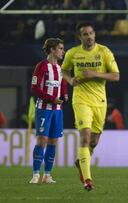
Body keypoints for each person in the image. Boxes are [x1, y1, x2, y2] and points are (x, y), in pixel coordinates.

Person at [62, 22, 120, 191]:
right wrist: (70, 80)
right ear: (79, 37)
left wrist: (94, 74)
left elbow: (116, 76)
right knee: (85, 137)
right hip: (81, 100)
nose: (88, 36)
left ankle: (81, 162)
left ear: (94, 34)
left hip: (100, 101)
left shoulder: (104, 52)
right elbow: (64, 70)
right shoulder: (72, 53)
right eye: (85, 34)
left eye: (91, 33)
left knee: (94, 141)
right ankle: (88, 180)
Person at [29, 38, 67, 184]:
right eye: (61, 48)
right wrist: (51, 98)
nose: (63, 51)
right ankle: (36, 174)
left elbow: (62, 83)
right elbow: (35, 88)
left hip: (57, 110)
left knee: (53, 141)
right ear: (52, 49)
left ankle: (47, 175)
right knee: (42, 140)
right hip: (44, 109)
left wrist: (65, 94)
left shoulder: (60, 67)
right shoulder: (41, 66)